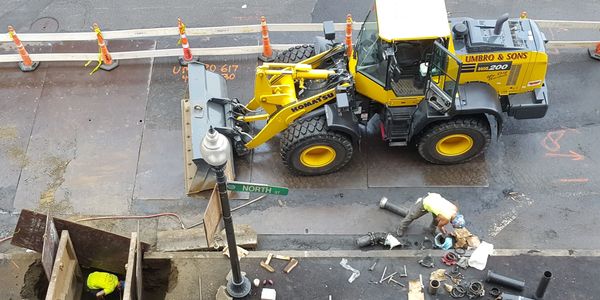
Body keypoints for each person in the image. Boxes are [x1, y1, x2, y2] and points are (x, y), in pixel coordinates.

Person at [396, 193, 465, 236]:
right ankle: (401, 228)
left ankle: (431, 230)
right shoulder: (446, 218)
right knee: (412, 216)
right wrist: (444, 232)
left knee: (437, 220)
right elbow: (440, 226)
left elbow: (439, 219)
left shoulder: (455, 209)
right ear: (453, 222)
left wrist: (440, 222)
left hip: (436, 198)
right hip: (427, 202)